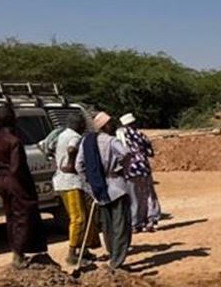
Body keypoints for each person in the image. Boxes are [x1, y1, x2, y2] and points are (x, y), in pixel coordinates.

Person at [0, 105, 49, 268]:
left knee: (11, 216)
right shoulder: (14, 141)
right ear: (13, 119)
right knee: (24, 215)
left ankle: (17, 251)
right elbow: (17, 168)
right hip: (17, 183)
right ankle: (19, 254)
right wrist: (24, 185)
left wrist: (0, 178)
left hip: (3, 181)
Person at [77, 111, 133, 271]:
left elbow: (79, 166)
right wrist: (120, 167)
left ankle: (113, 254)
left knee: (107, 226)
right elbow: (126, 153)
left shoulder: (86, 142)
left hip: (98, 188)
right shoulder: (111, 141)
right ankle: (117, 261)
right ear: (106, 126)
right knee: (120, 225)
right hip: (116, 186)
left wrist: (89, 183)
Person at [52, 112, 101, 265]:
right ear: (78, 125)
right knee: (78, 218)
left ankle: (84, 250)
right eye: (83, 124)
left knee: (84, 215)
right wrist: (71, 164)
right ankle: (72, 254)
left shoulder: (62, 135)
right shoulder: (75, 137)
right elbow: (72, 149)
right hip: (70, 182)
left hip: (62, 181)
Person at [116, 113, 161, 233]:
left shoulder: (119, 136)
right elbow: (150, 152)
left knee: (134, 197)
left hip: (129, 169)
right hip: (143, 168)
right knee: (148, 194)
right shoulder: (140, 135)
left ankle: (135, 223)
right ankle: (151, 219)